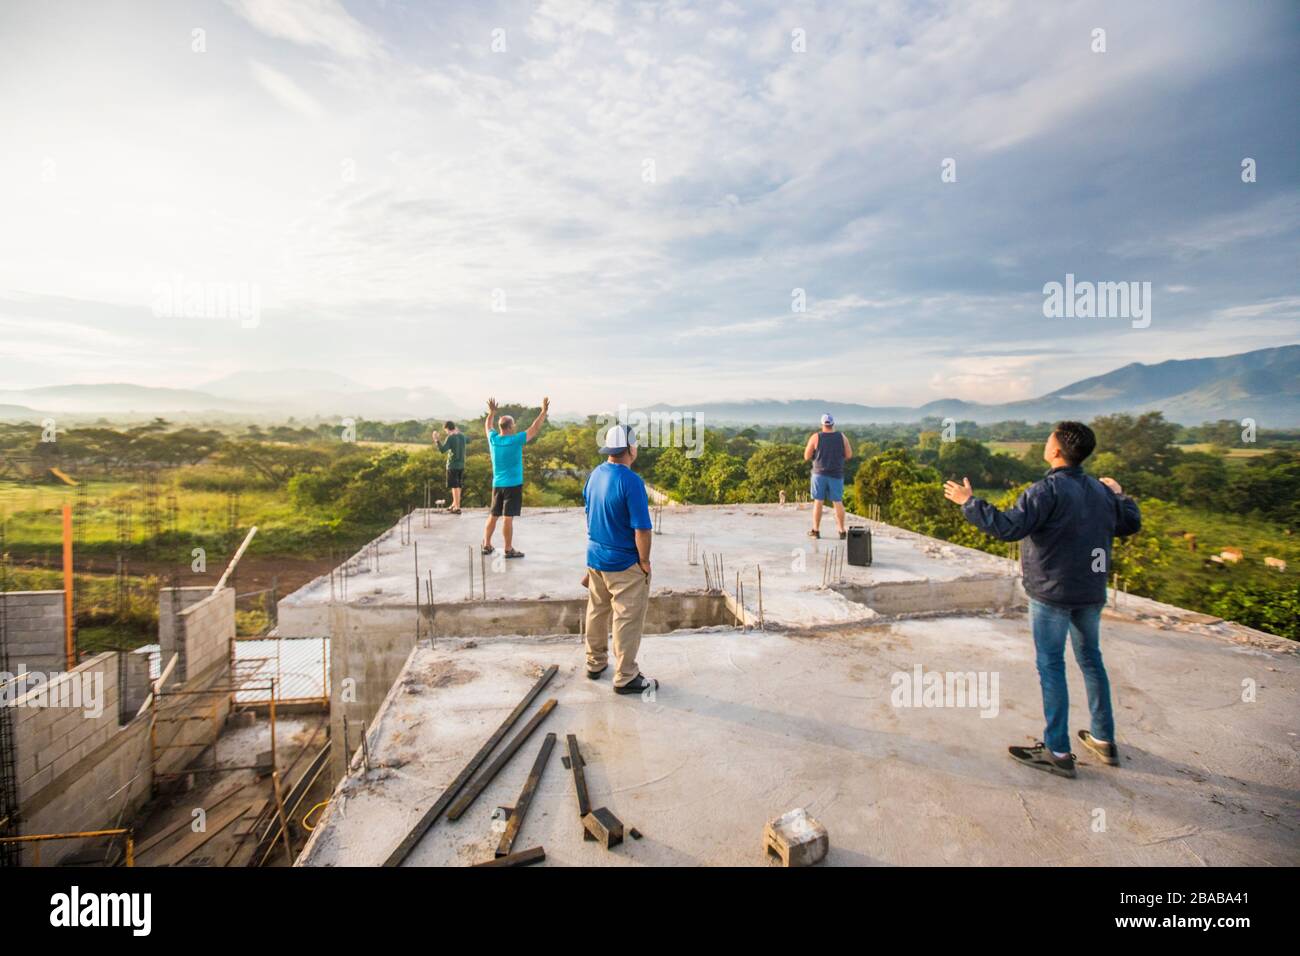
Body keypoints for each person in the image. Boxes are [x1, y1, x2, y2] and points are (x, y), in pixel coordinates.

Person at [943, 421, 1141, 779]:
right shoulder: (1100, 491)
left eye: (1049, 439)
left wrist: (969, 503)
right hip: (1091, 591)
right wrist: (1119, 493)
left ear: (1056, 450)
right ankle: (1103, 738)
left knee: (1051, 666)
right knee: (1091, 661)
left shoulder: (1045, 491)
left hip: (1053, 592)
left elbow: (1008, 527)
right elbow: (1130, 523)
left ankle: (1058, 751)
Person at [582, 423, 658, 696]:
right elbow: (642, 529)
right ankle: (626, 677)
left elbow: (589, 518)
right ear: (629, 449)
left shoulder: (595, 475)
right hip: (623, 563)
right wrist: (645, 562)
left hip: (595, 558)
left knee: (597, 611)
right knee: (626, 618)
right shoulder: (631, 481)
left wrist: (589, 561)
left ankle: (595, 663)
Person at [482, 396, 548, 558]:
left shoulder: (493, 439)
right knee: (507, 517)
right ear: (510, 426)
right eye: (514, 424)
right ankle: (508, 549)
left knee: (494, 514)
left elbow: (488, 425)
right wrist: (543, 412)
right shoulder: (516, 440)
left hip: (497, 484)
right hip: (513, 485)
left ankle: (487, 544)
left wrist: (491, 413)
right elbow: (535, 428)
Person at [804, 413, 852, 538]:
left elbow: (806, 456)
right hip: (836, 474)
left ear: (822, 425)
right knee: (838, 502)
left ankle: (816, 530)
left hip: (819, 473)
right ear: (832, 424)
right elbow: (849, 455)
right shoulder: (842, 437)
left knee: (818, 501)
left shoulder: (816, 437)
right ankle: (841, 530)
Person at [431, 420, 466, 513]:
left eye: (445, 430)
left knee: (454, 486)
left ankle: (457, 507)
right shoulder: (462, 436)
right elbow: (467, 440)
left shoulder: (450, 438)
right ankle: (454, 504)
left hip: (452, 465)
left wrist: (436, 440)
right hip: (461, 464)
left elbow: (442, 450)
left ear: (447, 429)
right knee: (458, 485)